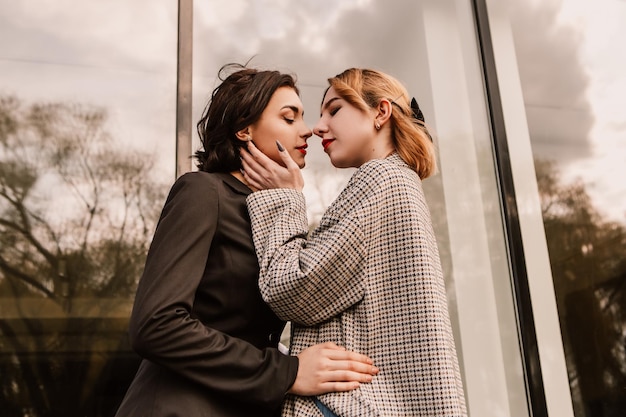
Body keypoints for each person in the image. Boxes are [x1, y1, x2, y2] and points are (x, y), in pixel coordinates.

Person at [114, 64, 378, 417]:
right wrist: (289, 371)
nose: (307, 131)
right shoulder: (204, 192)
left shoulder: (275, 216)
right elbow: (156, 325)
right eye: (289, 118)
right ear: (244, 129)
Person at [240, 68, 468, 417]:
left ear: (381, 112)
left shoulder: (380, 179)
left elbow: (291, 289)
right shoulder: (399, 182)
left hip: (350, 405)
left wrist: (284, 199)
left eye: (334, 110)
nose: (318, 127)